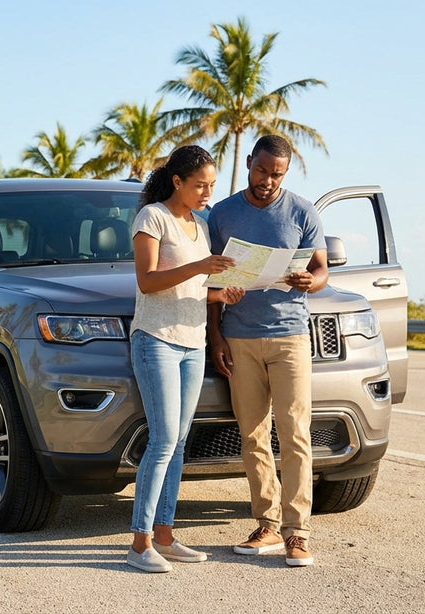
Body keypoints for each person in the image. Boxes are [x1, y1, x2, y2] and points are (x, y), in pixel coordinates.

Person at [206, 135, 329, 567]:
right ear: (249, 165)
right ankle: (267, 525)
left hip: (290, 336)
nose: (268, 182)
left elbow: (321, 270)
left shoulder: (302, 210)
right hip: (239, 336)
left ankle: (299, 532)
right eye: (262, 171)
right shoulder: (221, 214)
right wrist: (216, 337)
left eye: (277, 175)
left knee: (295, 433)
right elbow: (211, 282)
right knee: (253, 434)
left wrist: (309, 283)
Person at [126, 145, 244, 573]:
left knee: (178, 443)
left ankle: (164, 536)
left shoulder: (200, 224)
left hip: (193, 342)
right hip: (155, 339)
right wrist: (200, 270)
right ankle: (139, 544)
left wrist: (219, 292)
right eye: (200, 185)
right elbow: (147, 280)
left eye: (211, 185)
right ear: (177, 181)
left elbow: (192, 288)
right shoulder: (152, 217)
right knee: (161, 442)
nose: (207, 193)